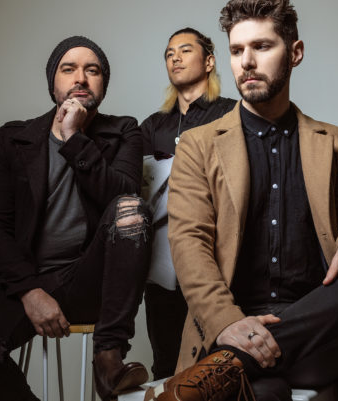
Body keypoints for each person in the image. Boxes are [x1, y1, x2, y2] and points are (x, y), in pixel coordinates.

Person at [144, 1, 338, 401]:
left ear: (295, 53)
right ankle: (243, 360)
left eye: (262, 47)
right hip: (236, 320)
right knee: (267, 394)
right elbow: (188, 244)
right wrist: (227, 321)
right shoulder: (199, 145)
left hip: (318, 329)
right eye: (236, 50)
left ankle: (230, 365)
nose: (246, 62)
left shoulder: (333, 142)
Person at [0, 36, 151, 401]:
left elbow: (124, 198)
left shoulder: (124, 130)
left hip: (92, 278)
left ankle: (108, 359)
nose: (81, 78)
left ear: (103, 84)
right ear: (53, 82)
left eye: (93, 70)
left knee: (131, 209)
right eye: (68, 69)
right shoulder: (14, 139)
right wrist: (29, 292)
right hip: (30, 277)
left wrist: (74, 138)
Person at [140, 27, 236, 380]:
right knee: (166, 363)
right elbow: (140, 190)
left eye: (184, 50)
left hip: (216, 256)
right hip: (161, 261)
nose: (175, 58)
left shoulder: (233, 114)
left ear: (209, 61)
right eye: (169, 53)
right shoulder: (152, 126)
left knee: (217, 365)